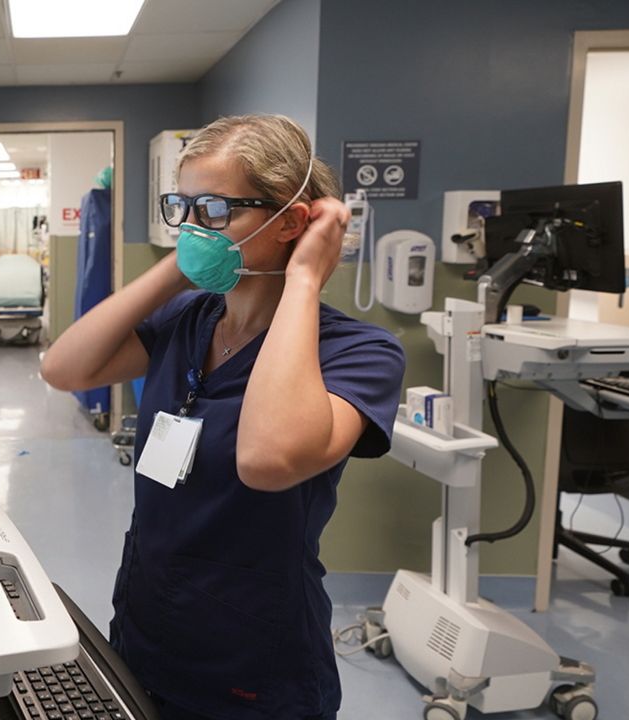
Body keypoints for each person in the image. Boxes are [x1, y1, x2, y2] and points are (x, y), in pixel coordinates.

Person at [41, 114, 405, 719]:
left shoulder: (358, 354)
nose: (191, 227)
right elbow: (65, 370)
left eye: (213, 210)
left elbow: (267, 459)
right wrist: (183, 263)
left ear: (290, 220)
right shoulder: (188, 319)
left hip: (253, 660)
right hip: (147, 625)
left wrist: (305, 280)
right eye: (181, 208)